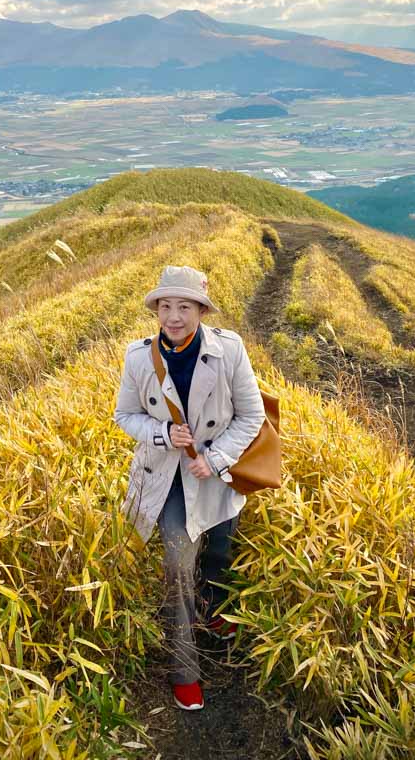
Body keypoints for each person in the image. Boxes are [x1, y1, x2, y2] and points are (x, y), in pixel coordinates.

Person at [113, 264, 265, 711]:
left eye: (183, 306)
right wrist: (163, 433)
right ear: (156, 310)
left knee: (219, 548)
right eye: (165, 306)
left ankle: (213, 611)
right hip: (166, 477)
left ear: (200, 309)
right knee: (179, 561)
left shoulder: (229, 351)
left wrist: (215, 459)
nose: (173, 316)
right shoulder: (139, 358)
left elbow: (251, 416)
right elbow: (124, 416)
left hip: (215, 473)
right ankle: (184, 666)